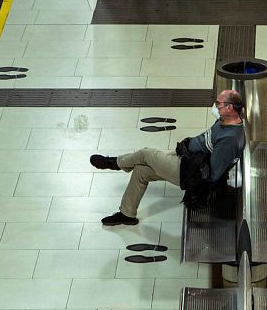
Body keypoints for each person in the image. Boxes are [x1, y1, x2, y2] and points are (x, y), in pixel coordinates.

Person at [90, 89, 246, 226]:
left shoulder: (230, 140)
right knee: (141, 171)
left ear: (229, 108)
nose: (215, 106)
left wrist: (191, 162)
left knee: (146, 153)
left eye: (218, 103)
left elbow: (213, 173)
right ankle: (127, 214)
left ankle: (115, 163)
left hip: (187, 171)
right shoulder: (225, 120)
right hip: (186, 158)